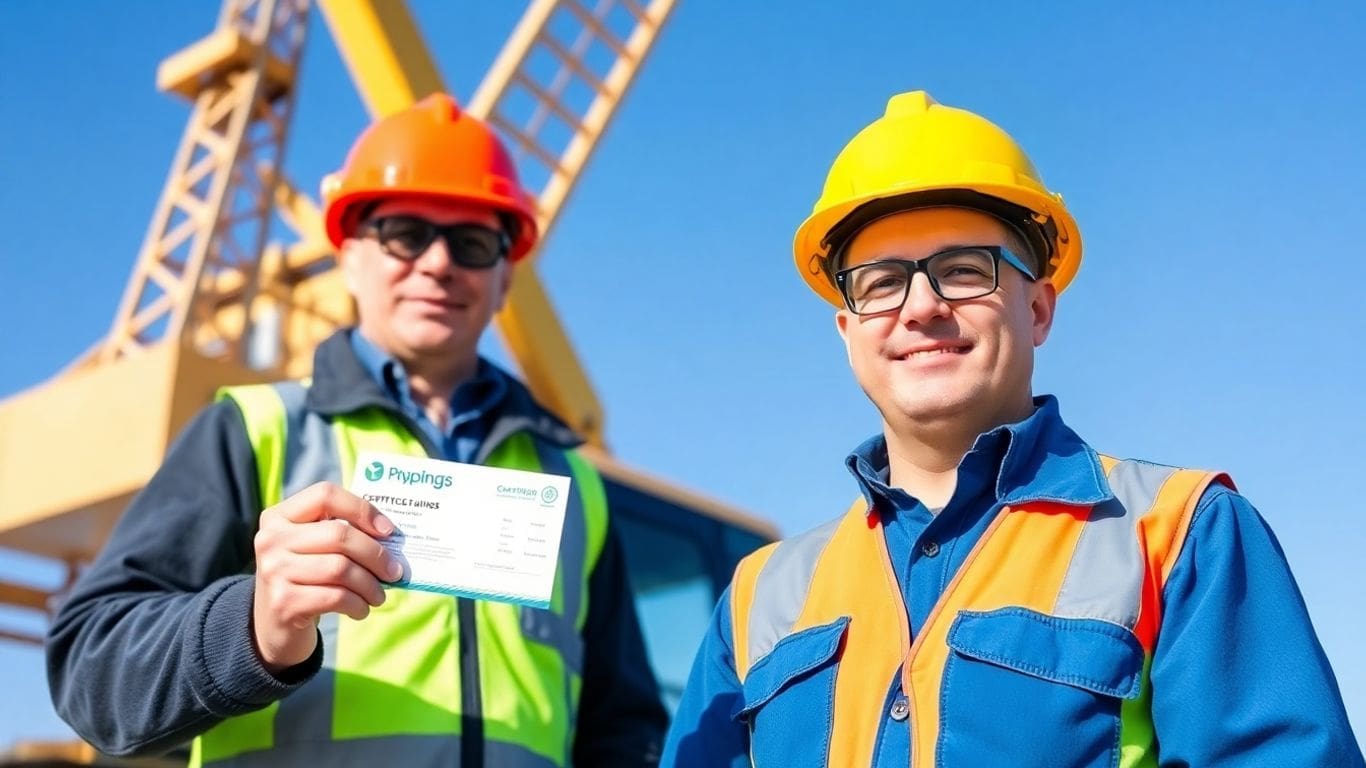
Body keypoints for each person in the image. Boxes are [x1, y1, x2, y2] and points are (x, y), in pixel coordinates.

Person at [661, 91, 1364, 767]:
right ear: (847, 332)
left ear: (1039, 310)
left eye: (964, 270)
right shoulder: (758, 600)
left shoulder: (1182, 534)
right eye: (881, 283)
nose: (921, 306)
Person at [47, 93, 667, 767]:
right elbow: (92, 671)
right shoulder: (255, 432)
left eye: (472, 243)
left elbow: (623, 728)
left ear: (504, 277)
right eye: (405, 233)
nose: (437, 263)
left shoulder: (573, 483)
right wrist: (252, 624)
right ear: (347, 253)